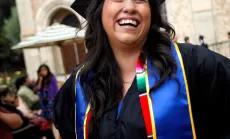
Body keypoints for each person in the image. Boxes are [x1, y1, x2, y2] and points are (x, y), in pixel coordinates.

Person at [54, 0, 230, 139]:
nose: (129, 6)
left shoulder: (193, 64)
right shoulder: (79, 85)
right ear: (99, 8)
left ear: (151, 12)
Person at [36, 64, 60, 139]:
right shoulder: (40, 80)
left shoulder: (52, 78)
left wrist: (57, 100)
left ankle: (60, 135)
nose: (43, 72)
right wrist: (40, 79)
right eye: (41, 70)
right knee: (48, 121)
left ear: (48, 70)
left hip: (51, 102)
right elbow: (37, 89)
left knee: (55, 120)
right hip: (44, 103)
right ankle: (52, 136)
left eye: (45, 70)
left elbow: (56, 89)